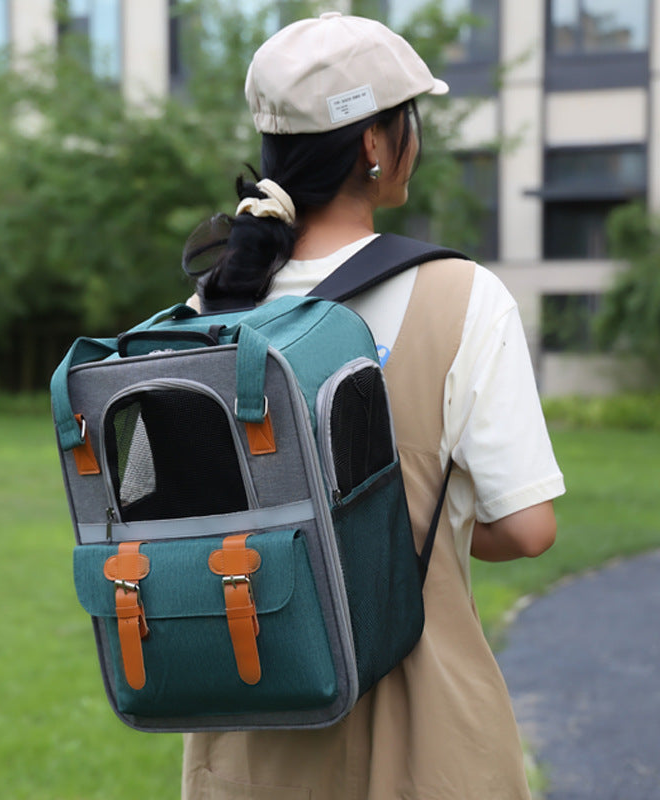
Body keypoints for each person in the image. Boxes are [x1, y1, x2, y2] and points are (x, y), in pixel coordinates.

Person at [181, 12, 565, 800]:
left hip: (253, 728)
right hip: (424, 728)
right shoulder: (462, 297)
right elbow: (527, 528)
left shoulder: (208, 308)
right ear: (374, 145)